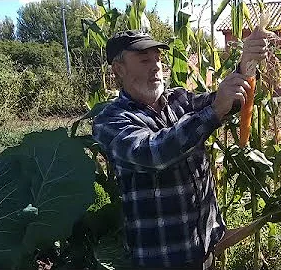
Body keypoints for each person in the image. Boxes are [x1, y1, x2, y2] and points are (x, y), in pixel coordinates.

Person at [92, 29, 268, 269]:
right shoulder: (111, 121)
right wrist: (215, 110)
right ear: (119, 69)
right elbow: (154, 153)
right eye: (144, 60)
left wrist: (246, 62)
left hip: (204, 249)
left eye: (158, 59)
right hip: (162, 259)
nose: (156, 66)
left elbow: (226, 102)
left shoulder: (179, 100)